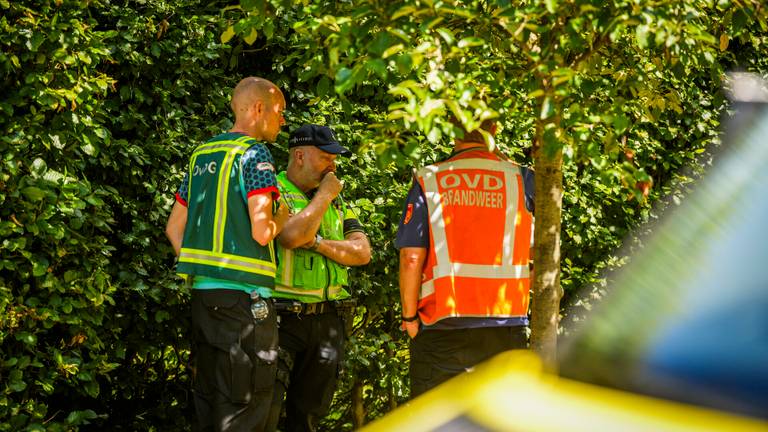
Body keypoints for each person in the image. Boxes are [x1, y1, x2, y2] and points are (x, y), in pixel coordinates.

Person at [165, 76, 290, 431]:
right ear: (258, 108)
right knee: (247, 406)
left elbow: (174, 229)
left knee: (212, 404)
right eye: (280, 113)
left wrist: (205, 268)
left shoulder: (201, 154)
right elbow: (262, 230)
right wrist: (282, 216)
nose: (282, 122)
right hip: (246, 303)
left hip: (204, 300)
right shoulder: (254, 154)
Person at [395, 118, 535, 398]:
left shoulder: (430, 179)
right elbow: (541, 248)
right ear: (495, 128)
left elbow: (411, 257)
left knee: (437, 420)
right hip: (505, 323)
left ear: (450, 129)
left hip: (443, 323)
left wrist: (409, 317)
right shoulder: (521, 178)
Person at [265, 124, 371, 432]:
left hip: (328, 321)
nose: (333, 166)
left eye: (334, 159)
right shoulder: (274, 189)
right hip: (282, 319)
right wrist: (323, 196)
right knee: (265, 414)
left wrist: (317, 243)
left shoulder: (337, 201)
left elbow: (362, 252)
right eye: (325, 157)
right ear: (299, 155)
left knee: (308, 418)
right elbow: (291, 236)